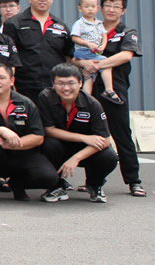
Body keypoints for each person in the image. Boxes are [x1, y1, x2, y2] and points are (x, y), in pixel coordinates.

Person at [0, 61, 58, 203]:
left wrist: (11, 144)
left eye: (1, 77)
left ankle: (17, 184)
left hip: (22, 153)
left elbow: (38, 136)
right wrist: (1, 130)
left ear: (12, 80)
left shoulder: (26, 103)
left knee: (49, 177)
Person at [35, 64, 120, 203]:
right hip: (60, 147)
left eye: (71, 83)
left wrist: (76, 158)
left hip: (84, 150)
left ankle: (94, 185)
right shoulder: (46, 97)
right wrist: (83, 138)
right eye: (60, 83)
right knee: (49, 144)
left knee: (109, 156)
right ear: (53, 84)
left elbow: (105, 140)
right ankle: (56, 186)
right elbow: (49, 129)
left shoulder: (92, 104)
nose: (66, 88)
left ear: (80, 83)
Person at [88, 0, 144, 196]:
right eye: (108, 5)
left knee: (121, 134)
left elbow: (125, 56)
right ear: (101, 8)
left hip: (114, 90)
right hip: (89, 87)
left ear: (123, 10)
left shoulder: (127, 32)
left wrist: (98, 65)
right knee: (91, 134)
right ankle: (92, 181)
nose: (111, 10)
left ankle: (134, 181)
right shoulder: (91, 29)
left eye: (116, 6)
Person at [4, 0, 73, 98]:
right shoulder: (14, 23)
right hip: (24, 86)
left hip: (55, 86)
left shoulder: (60, 26)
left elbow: (68, 55)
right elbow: (8, 57)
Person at [69, 0, 120, 103]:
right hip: (83, 51)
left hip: (95, 52)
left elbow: (104, 36)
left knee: (89, 74)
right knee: (106, 62)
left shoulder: (99, 23)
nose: (90, 9)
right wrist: (87, 44)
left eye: (93, 6)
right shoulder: (79, 23)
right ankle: (109, 89)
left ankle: (85, 98)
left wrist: (102, 46)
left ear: (98, 8)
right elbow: (74, 38)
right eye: (87, 6)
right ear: (80, 8)